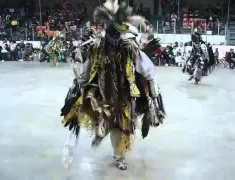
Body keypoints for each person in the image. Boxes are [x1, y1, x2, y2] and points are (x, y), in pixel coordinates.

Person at [60, 0, 165, 170]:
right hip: (102, 93)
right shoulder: (98, 46)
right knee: (104, 120)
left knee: (123, 126)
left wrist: (153, 91)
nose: (114, 39)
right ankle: (103, 133)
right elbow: (88, 69)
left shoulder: (130, 47)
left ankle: (120, 156)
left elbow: (146, 68)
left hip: (125, 93)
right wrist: (79, 86)